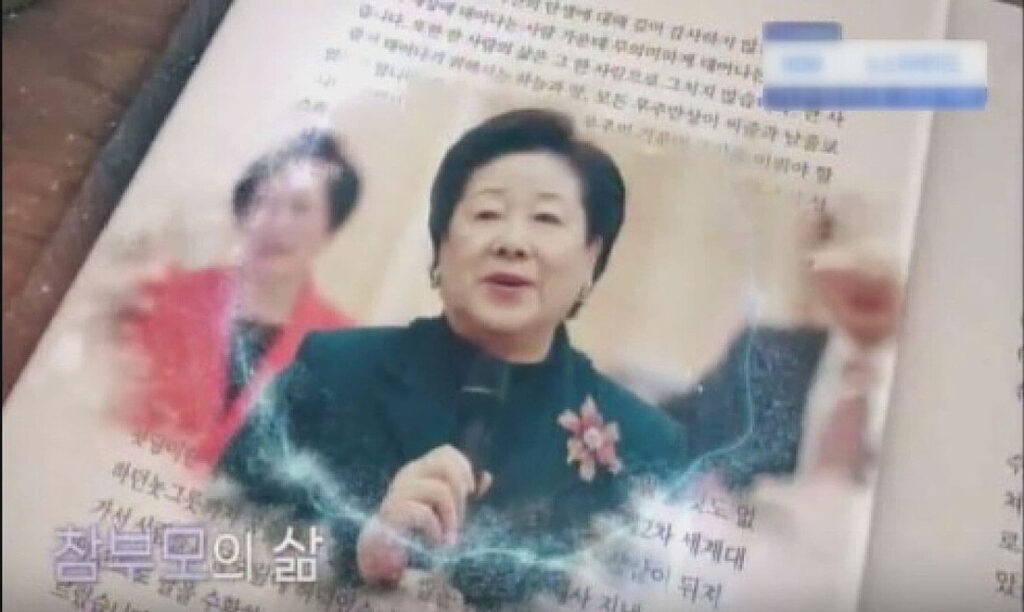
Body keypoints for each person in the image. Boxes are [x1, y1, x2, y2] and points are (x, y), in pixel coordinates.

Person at [215, 110, 729, 607]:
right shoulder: (333, 369)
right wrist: (357, 550)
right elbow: (208, 543)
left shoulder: (647, 445)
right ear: (441, 245)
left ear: (592, 257)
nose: (512, 242)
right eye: (487, 214)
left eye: (546, 219)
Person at [120, 129, 362, 465]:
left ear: (329, 229)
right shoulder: (165, 298)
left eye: (299, 208)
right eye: (264, 202)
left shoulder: (346, 354)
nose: (277, 223)